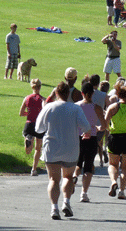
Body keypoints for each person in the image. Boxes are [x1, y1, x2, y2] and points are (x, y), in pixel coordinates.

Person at [35, 82, 91, 219]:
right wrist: (86, 134)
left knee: (54, 179)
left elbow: (38, 129)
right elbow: (86, 128)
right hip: (70, 148)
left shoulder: (49, 107)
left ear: (56, 93)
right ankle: (66, 202)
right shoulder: (75, 108)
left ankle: (54, 207)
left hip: (52, 147)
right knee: (68, 176)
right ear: (69, 94)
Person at [74, 82, 105, 203]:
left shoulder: (76, 106)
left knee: (78, 162)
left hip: (78, 137)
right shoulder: (97, 107)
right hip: (91, 137)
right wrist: (98, 128)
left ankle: (75, 177)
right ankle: (84, 193)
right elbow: (104, 125)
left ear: (82, 93)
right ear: (92, 94)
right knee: (88, 166)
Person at [19, 78, 45, 176]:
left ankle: (28, 141)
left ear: (32, 87)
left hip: (29, 123)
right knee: (38, 149)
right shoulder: (43, 100)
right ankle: (34, 169)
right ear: (40, 87)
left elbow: (21, 113)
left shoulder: (27, 98)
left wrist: (28, 113)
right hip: (38, 125)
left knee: (28, 151)